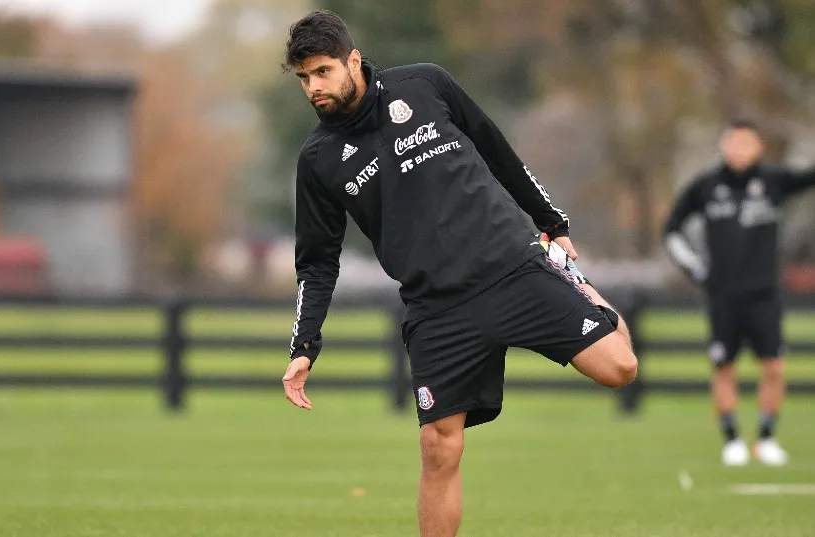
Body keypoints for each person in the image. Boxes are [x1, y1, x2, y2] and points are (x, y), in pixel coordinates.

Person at [280, 10, 638, 537]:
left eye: (323, 72)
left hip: (512, 267)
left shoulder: (425, 84)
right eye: (305, 78)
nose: (315, 87)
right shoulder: (319, 160)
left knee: (620, 368)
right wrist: (304, 346)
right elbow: (316, 261)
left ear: (353, 61)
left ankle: (573, 282)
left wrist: (551, 222)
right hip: (438, 308)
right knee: (438, 447)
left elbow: (495, 148)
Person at [664, 119, 815, 467]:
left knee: (774, 367)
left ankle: (765, 439)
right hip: (723, 296)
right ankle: (732, 439)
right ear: (723, 145)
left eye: (746, 143)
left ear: (759, 147)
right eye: (733, 142)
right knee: (723, 367)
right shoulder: (705, 187)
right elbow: (672, 229)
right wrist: (696, 269)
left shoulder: (774, 181)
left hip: (764, 294)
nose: (739, 149)